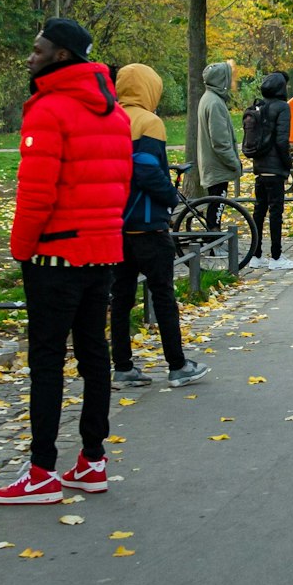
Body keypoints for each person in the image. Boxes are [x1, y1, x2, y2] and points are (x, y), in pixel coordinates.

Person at [0, 18, 133, 506]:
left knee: (48, 360)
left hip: (54, 254)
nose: (30, 57)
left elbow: (36, 193)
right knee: (94, 354)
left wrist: (20, 249)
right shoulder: (115, 114)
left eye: (38, 50)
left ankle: (41, 471)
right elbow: (121, 185)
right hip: (102, 251)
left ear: (62, 55)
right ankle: (93, 460)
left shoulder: (48, 109)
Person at [109, 63, 212, 389]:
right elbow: (147, 169)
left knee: (121, 298)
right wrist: (170, 197)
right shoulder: (148, 122)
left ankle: (122, 366)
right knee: (163, 296)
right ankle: (177, 365)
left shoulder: (110, 117)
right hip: (148, 225)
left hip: (117, 223)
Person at [247, 71, 293, 270]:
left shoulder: (259, 106)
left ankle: (256, 254)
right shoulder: (283, 107)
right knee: (276, 212)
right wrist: (288, 164)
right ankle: (276, 256)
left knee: (259, 211)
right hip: (275, 169)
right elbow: (282, 140)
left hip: (260, 167)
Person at [194, 60, 242, 222]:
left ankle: (213, 234)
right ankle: (213, 236)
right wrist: (234, 162)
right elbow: (220, 142)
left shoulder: (209, 99)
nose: (232, 81)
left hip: (213, 166)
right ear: (222, 80)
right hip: (217, 167)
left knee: (215, 207)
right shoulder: (215, 103)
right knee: (216, 210)